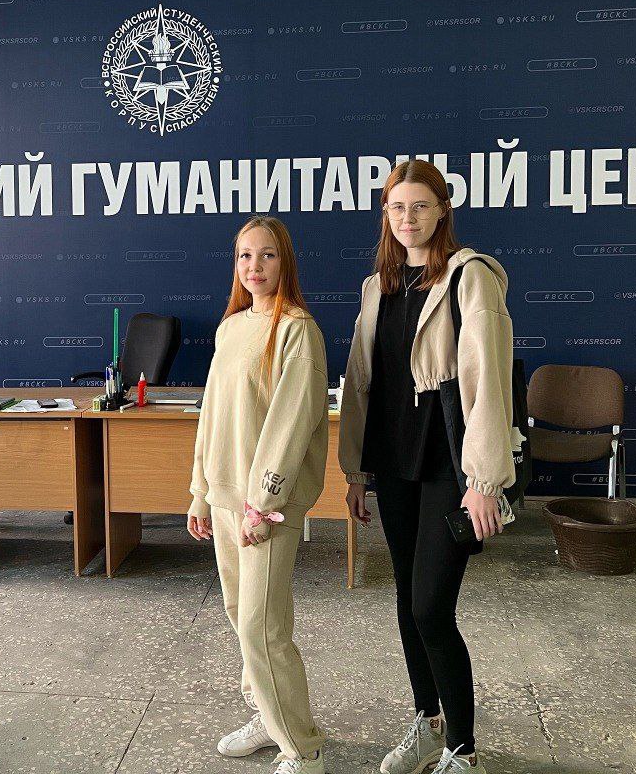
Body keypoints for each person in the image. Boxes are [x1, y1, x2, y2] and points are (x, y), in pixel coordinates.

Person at [339, 159, 517, 774]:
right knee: (406, 603)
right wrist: (356, 472)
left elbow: (488, 384)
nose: (407, 218)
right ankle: (428, 721)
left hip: (448, 466)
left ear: (442, 210)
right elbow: (362, 384)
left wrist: (484, 482)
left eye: (419, 206)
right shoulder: (377, 287)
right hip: (393, 465)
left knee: (430, 609)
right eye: (396, 207)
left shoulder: (470, 277)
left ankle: (462, 751)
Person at [187, 215, 330, 774]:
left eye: (266, 255)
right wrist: (200, 491)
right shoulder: (231, 328)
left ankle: (303, 749)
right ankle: (269, 718)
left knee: (262, 629)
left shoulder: (297, 330)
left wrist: (261, 505)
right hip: (226, 500)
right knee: (239, 616)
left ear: (284, 261)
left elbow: (291, 425)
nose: (254, 266)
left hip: (263, 509)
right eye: (244, 256)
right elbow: (212, 416)